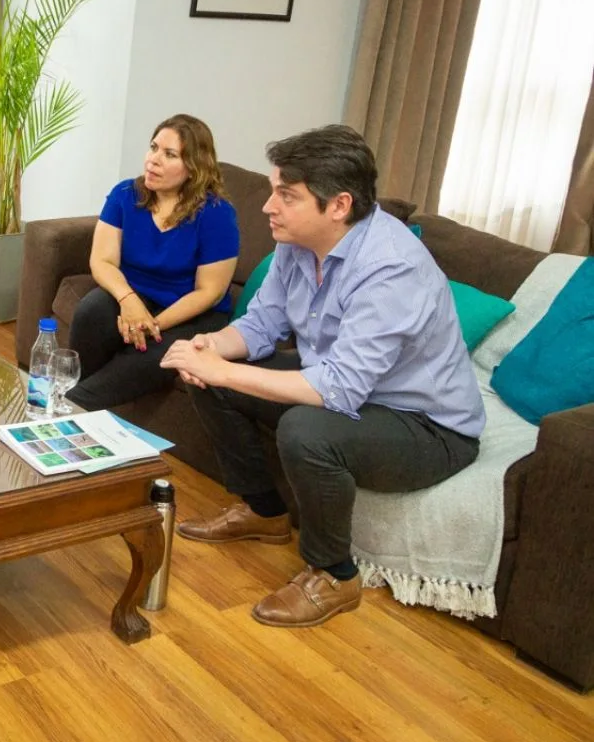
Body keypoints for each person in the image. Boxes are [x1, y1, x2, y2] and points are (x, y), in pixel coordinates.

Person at [159, 125, 483, 629]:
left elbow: (335, 389)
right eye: (272, 191)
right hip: (354, 385)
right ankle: (264, 511)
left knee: (305, 430)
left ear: (338, 205)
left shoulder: (391, 267)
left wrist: (222, 367)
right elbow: (263, 323)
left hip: (428, 426)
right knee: (211, 376)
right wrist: (211, 348)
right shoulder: (297, 241)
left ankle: (335, 574)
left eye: (286, 196)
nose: (268, 206)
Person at [65, 114, 239, 412]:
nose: (153, 160)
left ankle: (72, 404)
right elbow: (103, 260)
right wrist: (128, 300)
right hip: (135, 294)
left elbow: (209, 292)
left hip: (191, 310)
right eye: (153, 147)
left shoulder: (216, 213)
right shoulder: (125, 195)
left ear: (194, 168)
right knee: (91, 312)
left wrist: (151, 325)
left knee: (158, 352)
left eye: (169, 154)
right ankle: (82, 399)